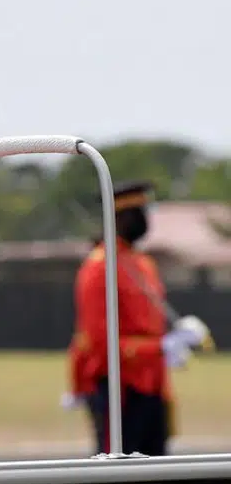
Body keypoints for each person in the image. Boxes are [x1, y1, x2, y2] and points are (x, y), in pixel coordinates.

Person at [68, 181, 204, 456]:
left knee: (157, 467)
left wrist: (174, 340)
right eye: (137, 213)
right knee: (118, 464)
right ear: (118, 218)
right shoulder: (99, 267)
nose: (145, 220)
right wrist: (159, 348)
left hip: (152, 383)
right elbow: (100, 343)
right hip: (118, 386)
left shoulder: (142, 263)